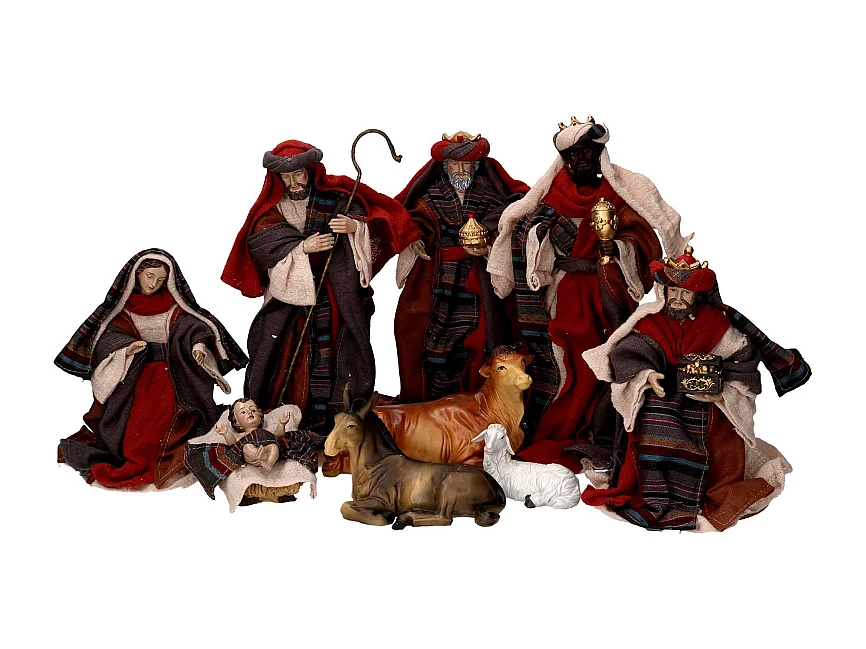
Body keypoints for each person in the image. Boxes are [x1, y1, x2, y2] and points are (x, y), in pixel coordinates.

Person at [487, 117, 689, 471]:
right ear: (565, 159)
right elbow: (523, 228)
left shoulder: (618, 193)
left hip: (605, 289)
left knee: (609, 355)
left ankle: (601, 432)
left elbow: (642, 238)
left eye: (588, 153)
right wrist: (539, 241)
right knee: (565, 358)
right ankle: (557, 425)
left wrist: (616, 248)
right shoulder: (551, 195)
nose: (581, 160)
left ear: (599, 155)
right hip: (562, 292)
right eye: (573, 155)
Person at [580, 247, 811, 531]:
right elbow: (626, 354)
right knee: (656, 425)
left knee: (704, 432)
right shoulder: (649, 321)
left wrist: (720, 394)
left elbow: (743, 364)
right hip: (660, 395)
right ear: (664, 291)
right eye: (673, 291)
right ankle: (656, 499)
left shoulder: (718, 326)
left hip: (707, 403)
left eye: (686, 293)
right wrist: (647, 377)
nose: (678, 298)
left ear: (697, 295)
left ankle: (691, 499)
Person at [221, 140, 419, 440]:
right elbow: (261, 246)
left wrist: (354, 228)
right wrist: (302, 248)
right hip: (290, 301)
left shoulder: (337, 200)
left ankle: (336, 419)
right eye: (286, 177)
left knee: (340, 351)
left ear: (311, 171)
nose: (293, 183)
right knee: (284, 354)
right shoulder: (272, 211)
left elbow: (373, 223)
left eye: (298, 174)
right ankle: (287, 418)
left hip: (335, 295)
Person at [56, 249, 248, 489]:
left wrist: (198, 346)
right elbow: (107, 337)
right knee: (137, 420)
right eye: (149, 276)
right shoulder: (122, 310)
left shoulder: (174, 308)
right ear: (137, 275)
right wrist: (126, 349)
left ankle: (172, 456)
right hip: (136, 375)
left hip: (175, 372)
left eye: (160, 279)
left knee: (174, 414)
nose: (153, 284)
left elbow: (194, 327)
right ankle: (137, 454)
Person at [394, 132, 528, 401]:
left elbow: (507, 222)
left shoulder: (489, 193)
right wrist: (413, 238)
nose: (460, 170)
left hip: (478, 279)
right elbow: (414, 219)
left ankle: (476, 403)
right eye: (454, 164)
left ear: (475, 165)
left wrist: (488, 247)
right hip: (439, 279)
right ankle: (435, 404)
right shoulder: (432, 194)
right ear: (445, 166)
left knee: (478, 337)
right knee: (435, 341)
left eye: (465, 164)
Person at [185, 397, 319, 499]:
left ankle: (268, 462)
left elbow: (279, 436)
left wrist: (282, 424)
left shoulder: (265, 432)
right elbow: (233, 445)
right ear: (237, 423)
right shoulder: (242, 436)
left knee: (274, 447)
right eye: (243, 412)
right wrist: (225, 433)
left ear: (260, 416)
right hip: (252, 456)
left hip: (268, 450)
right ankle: (260, 457)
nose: (250, 412)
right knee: (247, 448)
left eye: (253, 410)